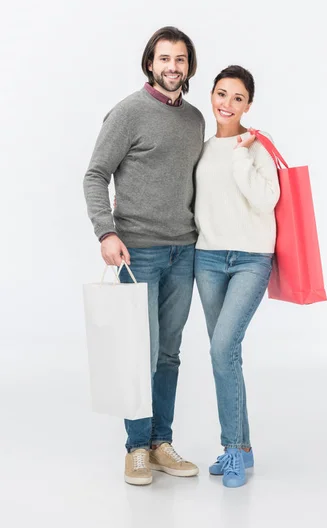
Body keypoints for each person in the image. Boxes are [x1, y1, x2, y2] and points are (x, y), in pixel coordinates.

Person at [83, 26, 205, 486]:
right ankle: (136, 447)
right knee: (141, 352)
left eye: (180, 59)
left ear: (188, 66)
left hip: (185, 251)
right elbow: (95, 175)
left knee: (168, 353)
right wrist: (105, 232)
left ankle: (160, 443)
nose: (172, 67)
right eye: (164, 59)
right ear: (150, 64)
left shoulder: (195, 119)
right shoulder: (128, 112)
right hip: (138, 253)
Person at [194, 65, 280, 488]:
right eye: (221, 94)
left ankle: (231, 449)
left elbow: (267, 201)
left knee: (222, 347)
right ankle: (242, 451)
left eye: (238, 98)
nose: (227, 104)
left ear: (249, 105)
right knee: (224, 354)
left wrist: (243, 152)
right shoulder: (202, 147)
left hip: (250, 259)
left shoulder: (256, 147)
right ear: (211, 96)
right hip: (207, 258)